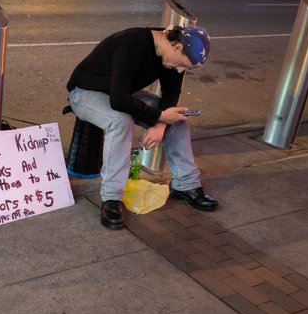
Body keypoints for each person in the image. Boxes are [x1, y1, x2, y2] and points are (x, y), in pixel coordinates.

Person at [66, 25, 218, 230]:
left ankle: (186, 185)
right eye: (182, 65)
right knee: (120, 121)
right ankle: (112, 198)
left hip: (121, 93)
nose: (180, 70)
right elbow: (118, 101)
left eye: (186, 69)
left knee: (178, 118)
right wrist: (159, 116)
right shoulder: (132, 43)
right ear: (176, 46)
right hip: (85, 93)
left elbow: (171, 94)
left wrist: (160, 123)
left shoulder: (172, 58)